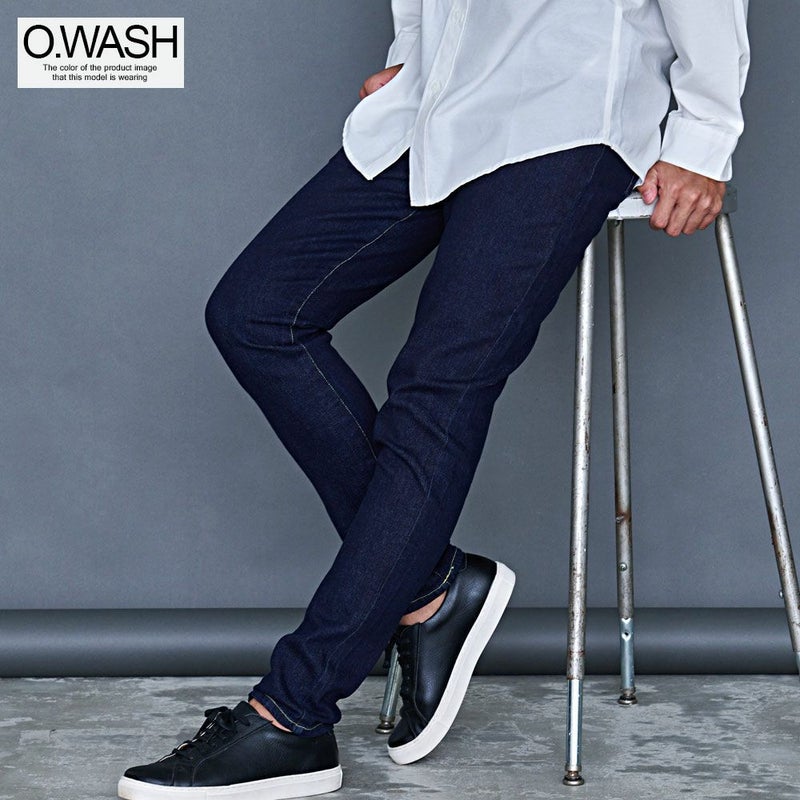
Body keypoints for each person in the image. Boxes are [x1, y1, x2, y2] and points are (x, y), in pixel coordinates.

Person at [118, 1, 750, 798]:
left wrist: (704, 134)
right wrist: (417, 52)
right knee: (256, 313)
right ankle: (430, 588)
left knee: (437, 391)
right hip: (441, 98)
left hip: (570, 110)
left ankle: (293, 715)